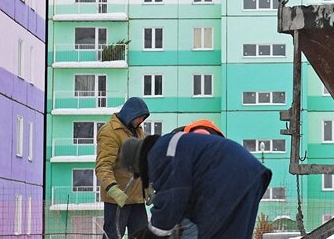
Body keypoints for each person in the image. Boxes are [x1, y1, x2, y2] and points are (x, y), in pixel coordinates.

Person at [118, 125, 272, 239]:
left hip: (229, 181)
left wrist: (151, 234)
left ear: (137, 164)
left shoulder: (160, 153)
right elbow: (183, 196)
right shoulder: (169, 145)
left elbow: (171, 200)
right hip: (249, 175)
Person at [96, 97, 150, 239]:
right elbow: (103, 165)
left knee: (142, 235)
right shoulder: (110, 132)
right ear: (130, 114)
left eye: (143, 118)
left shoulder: (138, 132)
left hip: (137, 198)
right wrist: (113, 189)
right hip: (117, 199)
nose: (141, 122)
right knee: (113, 236)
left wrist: (148, 186)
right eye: (139, 118)